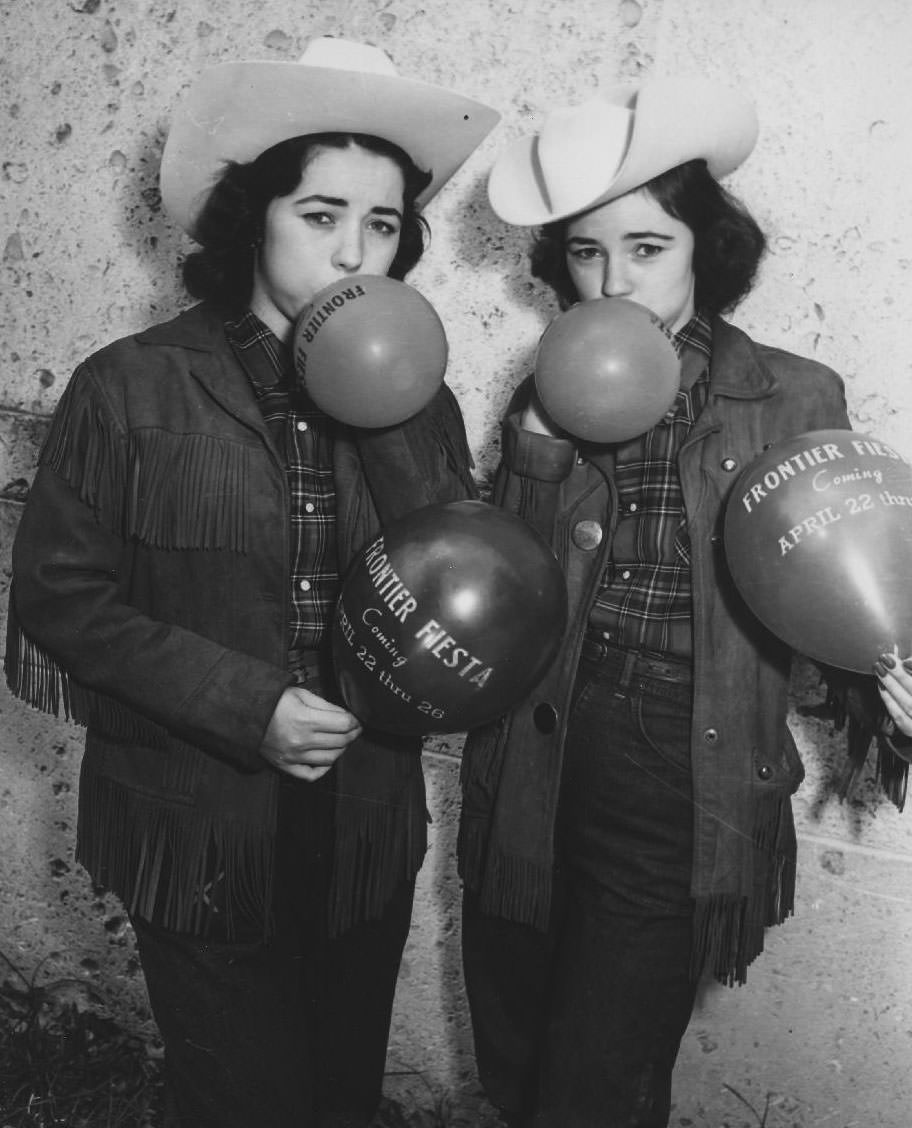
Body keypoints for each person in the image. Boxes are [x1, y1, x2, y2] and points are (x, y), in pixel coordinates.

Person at [4, 36, 498, 1128]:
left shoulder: (423, 399)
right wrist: (249, 705)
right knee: (239, 1098)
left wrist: (411, 427)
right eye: (320, 216)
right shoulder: (129, 385)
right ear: (252, 220)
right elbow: (59, 600)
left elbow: (459, 573)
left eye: (380, 224)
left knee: (335, 1094)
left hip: (363, 821)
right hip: (196, 822)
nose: (354, 251)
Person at [457, 77, 909, 1128]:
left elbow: (840, 572)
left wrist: (884, 685)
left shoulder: (795, 394)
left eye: (647, 247)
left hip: (683, 761)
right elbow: (503, 589)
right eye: (584, 251)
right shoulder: (546, 382)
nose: (611, 281)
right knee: (517, 1047)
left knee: (597, 1078)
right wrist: (531, 451)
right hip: (535, 745)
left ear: (706, 246)